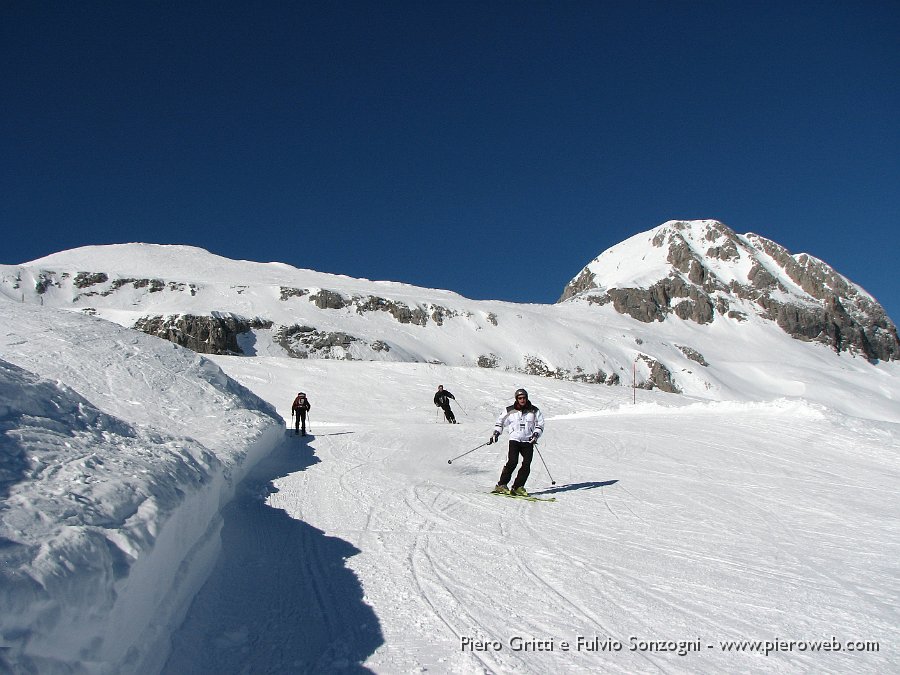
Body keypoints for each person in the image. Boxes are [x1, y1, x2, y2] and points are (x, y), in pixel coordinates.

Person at [488, 388, 544, 497]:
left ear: (527, 398)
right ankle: (501, 485)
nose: (522, 400)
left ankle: (518, 487)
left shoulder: (534, 410)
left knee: (526, 464)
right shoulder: (510, 410)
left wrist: (536, 434)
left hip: (528, 440)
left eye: (524, 398)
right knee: (512, 462)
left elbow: (540, 424)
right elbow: (501, 422)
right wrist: (496, 433)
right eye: (520, 398)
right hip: (514, 440)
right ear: (516, 399)